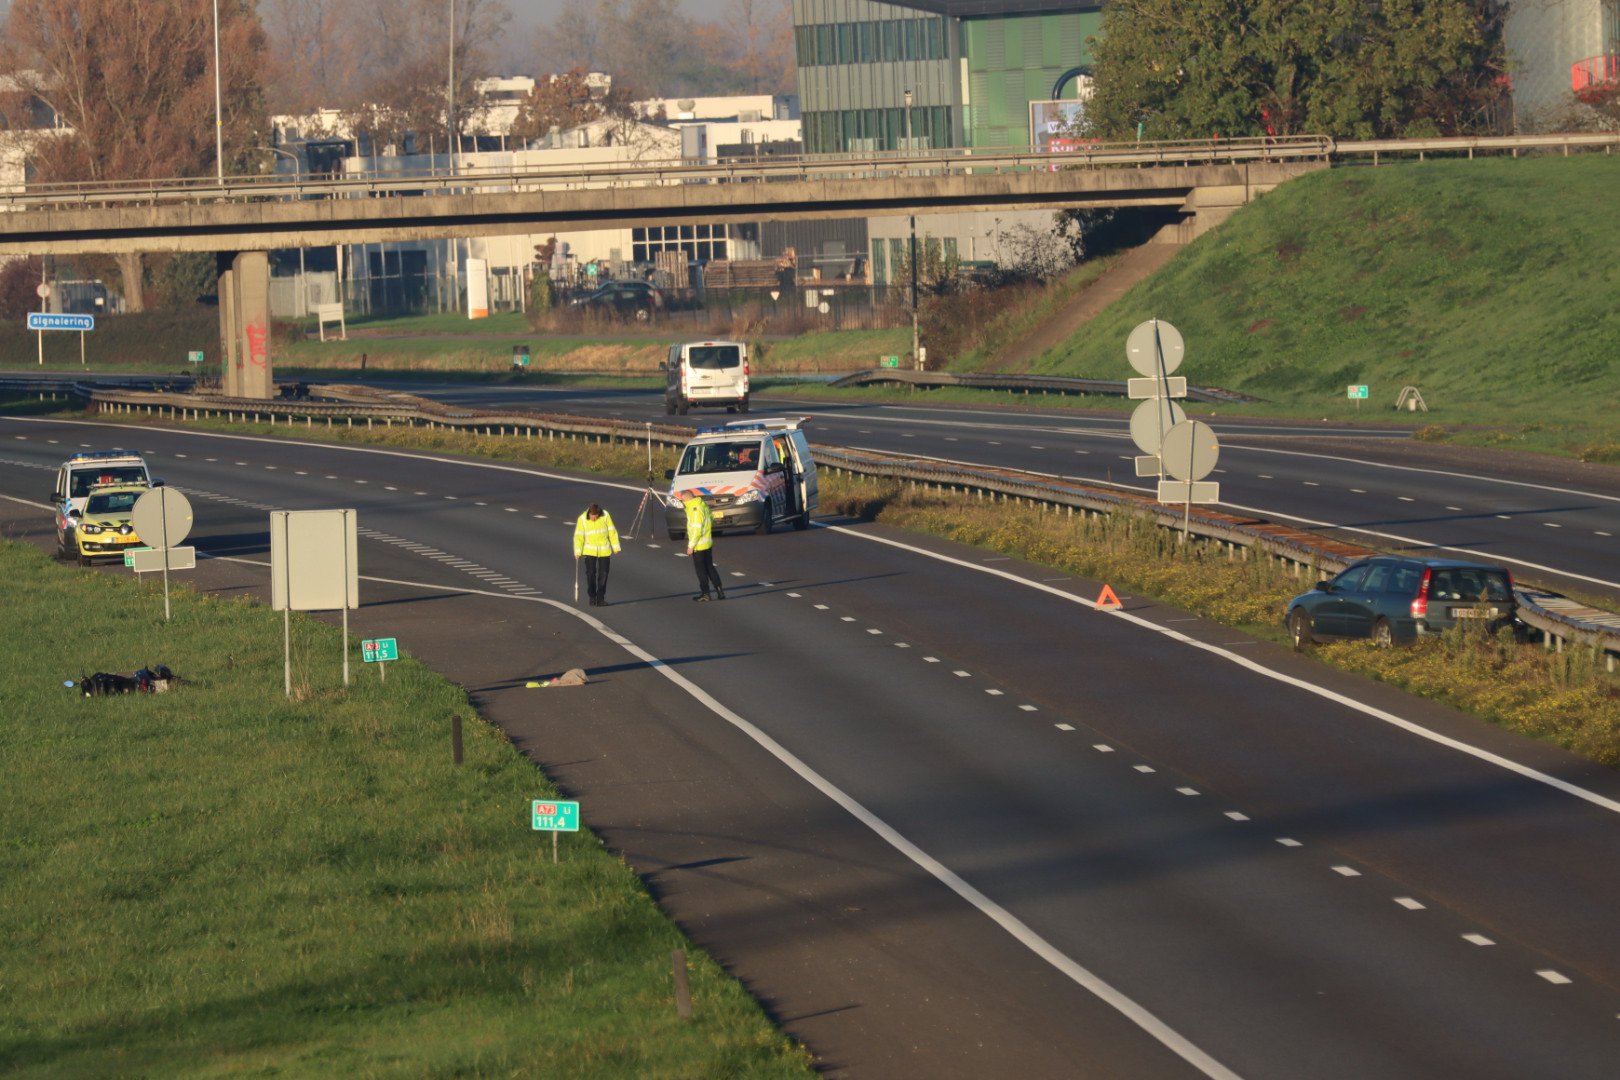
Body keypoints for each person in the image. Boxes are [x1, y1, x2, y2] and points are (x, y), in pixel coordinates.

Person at [572, 502, 621, 607]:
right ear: (589, 513)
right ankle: (592, 597)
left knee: (604, 574)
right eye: (592, 516)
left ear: (599, 514)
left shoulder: (606, 516)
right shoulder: (582, 519)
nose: (594, 518)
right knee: (591, 573)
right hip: (589, 550)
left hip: (604, 550)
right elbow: (578, 537)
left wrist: (616, 547)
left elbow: (612, 531)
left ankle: (600, 598)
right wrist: (577, 551)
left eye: (596, 517)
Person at [682, 491, 725, 602]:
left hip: (699, 545)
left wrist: (691, 546)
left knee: (701, 571)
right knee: (710, 567)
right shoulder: (703, 504)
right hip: (707, 542)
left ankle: (705, 594)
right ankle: (720, 591)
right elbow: (710, 518)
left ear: (687, 499)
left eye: (683, 500)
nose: (683, 503)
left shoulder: (694, 509)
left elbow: (696, 529)